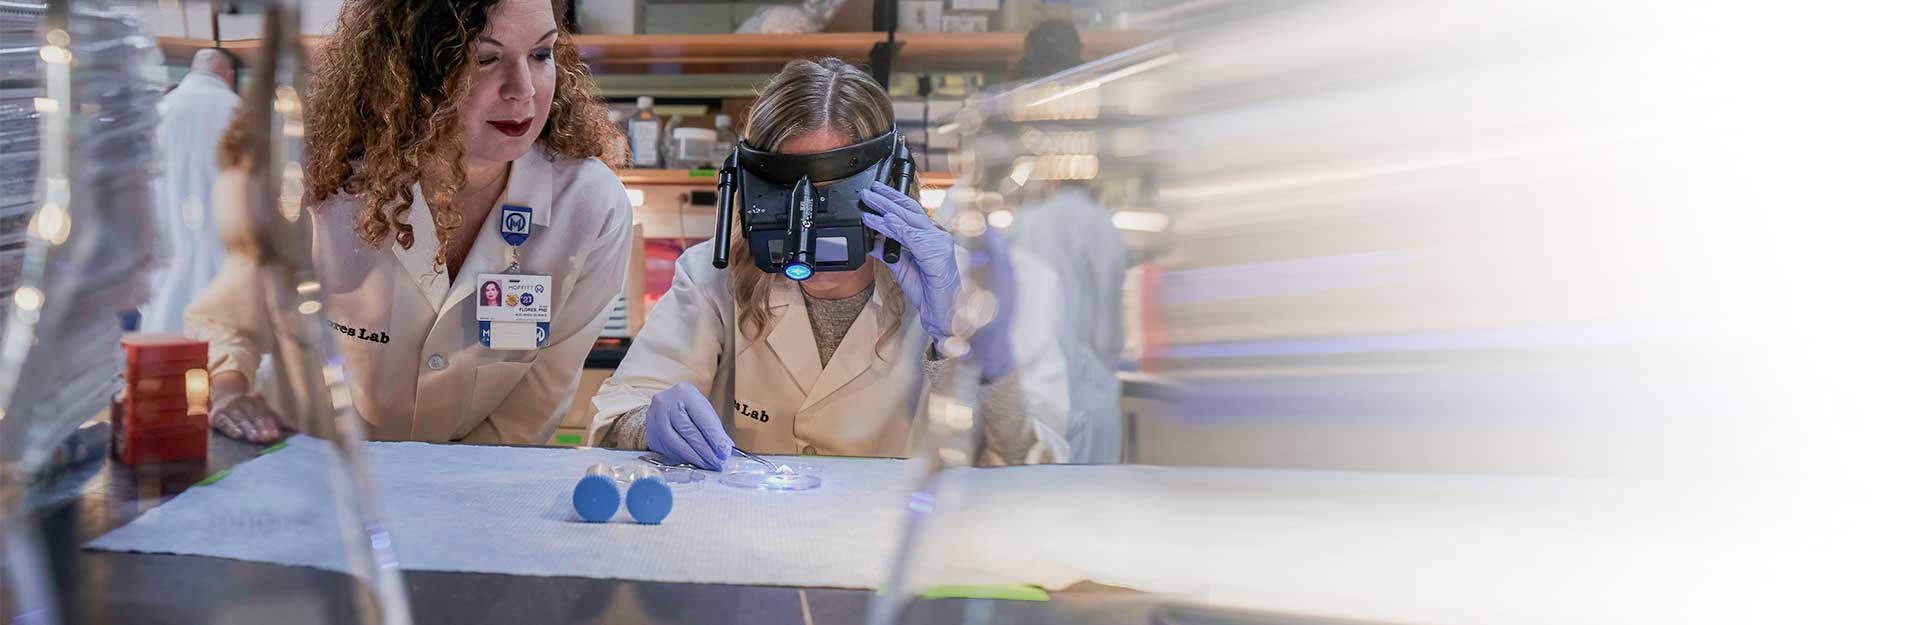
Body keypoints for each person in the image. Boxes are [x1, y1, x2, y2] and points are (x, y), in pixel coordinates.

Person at [189, 0, 631, 445]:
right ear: (408, 70)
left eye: (540, 55)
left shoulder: (591, 207)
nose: (523, 90)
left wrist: (440, 499)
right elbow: (229, 319)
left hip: (471, 491)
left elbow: (529, 412)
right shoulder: (319, 181)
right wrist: (228, 389)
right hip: (313, 471)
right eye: (485, 58)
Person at [590, 59, 1069, 468]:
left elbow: (1029, 465)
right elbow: (614, 417)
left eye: (835, 200)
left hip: (889, 547)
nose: (808, 235)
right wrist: (646, 423)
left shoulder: (977, 287)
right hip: (751, 535)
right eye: (783, 203)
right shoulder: (713, 279)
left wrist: (961, 342)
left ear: (893, 184)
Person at [1007, 19, 1130, 463]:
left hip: (1032, 407)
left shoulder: (1019, 219)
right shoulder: (1096, 223)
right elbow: (1109, 334)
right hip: (1084, 402)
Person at [144, 48, 241, 334]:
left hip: (166, 249)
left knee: (165, 337)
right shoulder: (238, 112)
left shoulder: (160, 111)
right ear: (230, 76)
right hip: (224, 258)